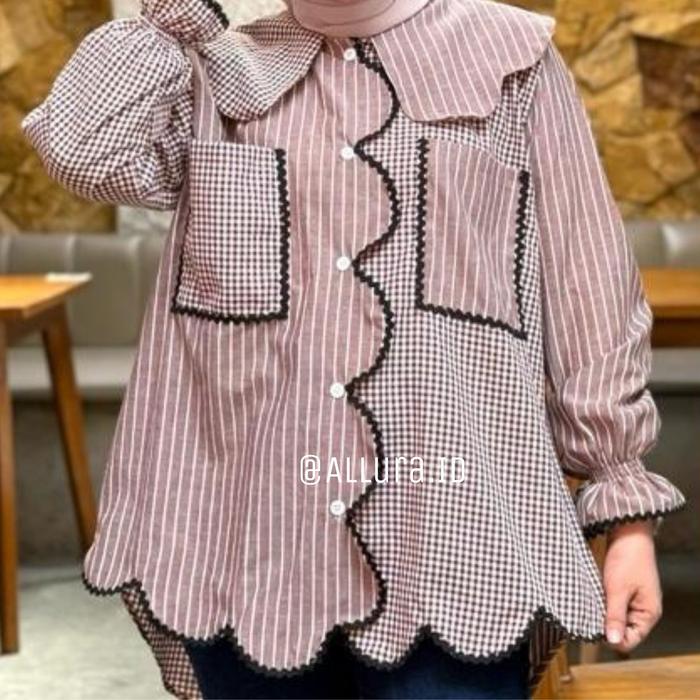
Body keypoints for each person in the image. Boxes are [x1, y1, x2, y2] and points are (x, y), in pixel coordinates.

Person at [22, 0, 688, 698]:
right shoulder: (215, 73)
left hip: (452, 544)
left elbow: (587, 285)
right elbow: (83, 151)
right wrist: (172, 17)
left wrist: (625, 515)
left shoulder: (512, 60)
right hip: (246, 547)